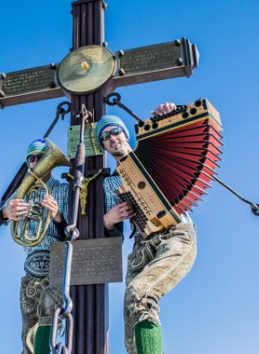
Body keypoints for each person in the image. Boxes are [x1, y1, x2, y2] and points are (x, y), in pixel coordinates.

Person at [97, 104, 198, 354]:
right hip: (142, 245)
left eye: (114, 132)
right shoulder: (111, 184)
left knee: (140, 293)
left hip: (176, 233)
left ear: (125, 133)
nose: (112, 138)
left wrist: (172, 114)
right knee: (132, 327)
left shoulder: (149, 153)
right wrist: (108, 220)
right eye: (105, 137)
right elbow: (113, 234)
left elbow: (182, 140)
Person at [0, 138, 68, 354]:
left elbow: (73, 235)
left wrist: (56, 216)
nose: (36, 162)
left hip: (58, 265)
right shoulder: (20, 193)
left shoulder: (65, 191)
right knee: (28, 336)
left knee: (48, 319)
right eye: (31, 158)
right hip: (31, 270)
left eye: (41, 157)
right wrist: (4, 214)